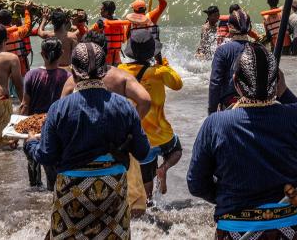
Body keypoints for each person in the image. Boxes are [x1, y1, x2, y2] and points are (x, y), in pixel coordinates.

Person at [188, 42, 297, 239]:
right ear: (277, 81)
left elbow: (196, 183)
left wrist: (226, 197)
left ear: (236, 82)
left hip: (235, 228)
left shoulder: (216, 124)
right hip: (286, 227)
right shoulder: (295, 116)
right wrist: (285, 93)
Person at [25, 42, 150, 239]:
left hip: (72, 191)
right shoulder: (125, 107)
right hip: (113, 191)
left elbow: (46, 156)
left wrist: (31, 143)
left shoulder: (59, 109)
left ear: (73, 73)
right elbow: (143, 152)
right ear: (103, 73)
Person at [61, 31, 152, 217]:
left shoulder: (73, 80)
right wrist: (131, 126)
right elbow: (145, 100)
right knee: (130, 203)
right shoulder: (120, 76)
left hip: (82, 149)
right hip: (118, 147)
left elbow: (60, 111)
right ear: (105, 52)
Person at [119, 29, 183, 202]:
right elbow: (178, 84)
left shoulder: (122, 71)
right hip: (162, 134)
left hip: (139, 136)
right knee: (176, 150)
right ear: (152, 52)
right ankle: (164, 167)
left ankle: (146, 210)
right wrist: (163, 64)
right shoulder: (159, 72)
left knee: (146, 186)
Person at [19, 38, 71, 190]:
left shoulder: (31, 75)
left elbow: (24, 105)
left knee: (33, 167)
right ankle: (51, 199)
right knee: (52, 172)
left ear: (42, 53)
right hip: (55, 128)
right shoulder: (67, 77)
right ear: (61, 54)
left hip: (33, 128)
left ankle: (34, 196)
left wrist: (19, 130)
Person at [208, 9, 253, 113]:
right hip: (254, 105)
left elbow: (215, 82)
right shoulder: (259, 49)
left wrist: (212, 113)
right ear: (249, 27)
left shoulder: (222, 50)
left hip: (229, 105)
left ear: (230, 27)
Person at [0, 2, 33, 97]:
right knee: (20, 92)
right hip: (19, 69)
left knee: (5, 94)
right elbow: (28, 25)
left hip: (2, 70)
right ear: (11, 20)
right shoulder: (19, 32)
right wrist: (27, 10)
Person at [91, 0, 130, 66]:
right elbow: (124, 40)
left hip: (104, 60)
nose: (100, 11)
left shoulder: (99, 24)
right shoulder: (120, 24)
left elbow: (87, 36)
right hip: (117, 60)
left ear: (106, 12)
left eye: (101, 9)